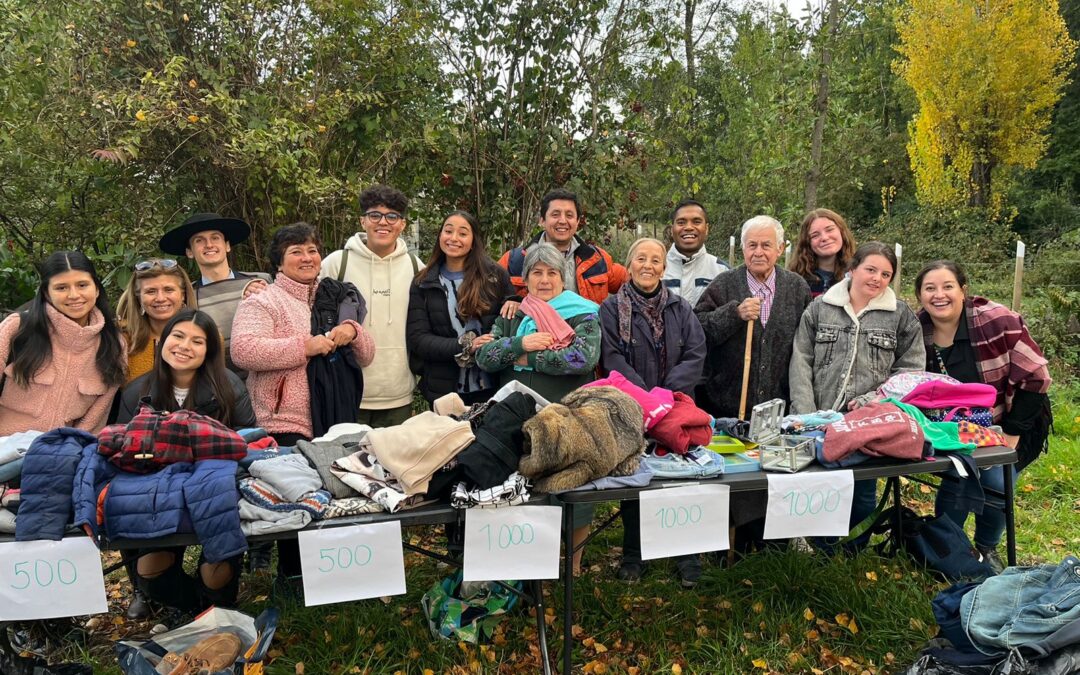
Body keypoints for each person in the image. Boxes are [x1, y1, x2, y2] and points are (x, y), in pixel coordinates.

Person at [232, 222, 375, 591]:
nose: (307, 257)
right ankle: (293, 581)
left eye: (312, 250)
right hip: (284, 419)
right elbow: (243, 350)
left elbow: (368, 355)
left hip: (333, 420)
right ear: (279, 261)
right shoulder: (263, 301)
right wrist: (303, 347)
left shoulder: (336, 298)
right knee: (293, 498)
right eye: (296, 251)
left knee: (333, 495)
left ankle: (330, 578)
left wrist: (354, 332)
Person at [116, 309, 256, 618]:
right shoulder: (136, 393)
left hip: (215, 491)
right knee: (150, 571)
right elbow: (122, 452)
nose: (184, 346)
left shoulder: (229, 386)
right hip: (157, 491)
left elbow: (248, 441)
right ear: (163, 342)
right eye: (177, 336)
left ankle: (221, 609)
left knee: (215, 571)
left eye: (197, 341)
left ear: (209, 351)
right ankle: (195, 609)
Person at [916, 260, 1052, 572]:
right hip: (947, 429)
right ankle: (950, 548)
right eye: (930, 288)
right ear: (920, 296)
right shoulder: (915, 329)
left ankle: (986, 546)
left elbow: (1037, 377)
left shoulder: (996, 321)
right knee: (959, 474)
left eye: (948, 286)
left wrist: (1012, 432)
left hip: (1010, 418)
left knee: (996, 480)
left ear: (963, 290)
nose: (939, 295)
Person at [789, 241, 925, 547]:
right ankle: (817, 550)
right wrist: (807, 415)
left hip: (869, 426)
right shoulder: (820, 308)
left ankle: (848, 554)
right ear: (852, 270)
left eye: (886, 274)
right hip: (821, 423)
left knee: (862, 498)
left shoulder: (900, 316)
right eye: (871, 269)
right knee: (819, 491)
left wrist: (872, 402)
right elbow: (801, 362)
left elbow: (911, 371)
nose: (877, 278)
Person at [476, 243, 601, 574]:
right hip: (517, 418)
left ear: (563, 277)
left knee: (573, 485)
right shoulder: (513, 313)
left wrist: (526, 359)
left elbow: (581, 358)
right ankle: (530, 563)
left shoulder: (583, 312)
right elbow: (485, 357)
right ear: (526, 278)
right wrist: (521, 342)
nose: (544, 280)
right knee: (523, 490)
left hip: (568, 416)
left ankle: (573, 565)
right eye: (536, 272)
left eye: (552, 273)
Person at [694, 215, 811, 551]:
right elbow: (699, 331)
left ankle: (769, 548)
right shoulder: (723, 285)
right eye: (752, 245)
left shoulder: (796, 288)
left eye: (766, 245)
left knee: (770, 472)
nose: (758, 252)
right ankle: (726, 550)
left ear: (780, 249)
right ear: (742, 248)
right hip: (728, 401)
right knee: (732, 478)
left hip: (777, 401)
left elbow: (805, 343)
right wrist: (733, 314)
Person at [600, 238, 706, 587]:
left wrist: (668, 395)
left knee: (683, 480)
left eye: (656, 260)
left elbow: (695, 352)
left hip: (676, 408)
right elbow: (611, 356)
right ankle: (634, 553)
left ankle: (686, 556)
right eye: (641, 259)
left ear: (664, 268)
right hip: (631, 407)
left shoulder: (680, 308)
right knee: (636, 478)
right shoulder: (612, 308)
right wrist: (644, 396)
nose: (648, 265)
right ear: (629, 266)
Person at [321, 185, 421, 428]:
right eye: (375, 215)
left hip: (398, 391)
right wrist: (258, 284)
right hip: (347, 387)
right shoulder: (337, 263)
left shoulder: (415, 266)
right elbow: (301, 297)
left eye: (392, 216)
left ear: (402, 224)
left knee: (392, 464)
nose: (383, 222)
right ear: (363, 221)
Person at [0, 251, 126, 436]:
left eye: (82, 285)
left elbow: (97, 416)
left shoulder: (114, 344)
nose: (74, 295)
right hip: (5, 451)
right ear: (46, 293)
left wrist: (75, 449)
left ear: (97, 289)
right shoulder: (18, 328)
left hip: (61, 456)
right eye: (61, 288)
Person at [407, 210, 515, 406]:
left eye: (463, 233)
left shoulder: (495, 276)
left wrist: (516, 301)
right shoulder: (423, 282)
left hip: (493, 388)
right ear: (440, 235)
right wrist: (464, 345)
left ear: (473, 241)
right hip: (444, 389)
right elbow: (418, 339)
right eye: (448, 231)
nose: (454, 238)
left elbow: (512, 319)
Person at [159, 212, 272, 373]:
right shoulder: (186, 297)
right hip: (216, 384)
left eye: (215, 238)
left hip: (265, 376)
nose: (209, 245)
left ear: (227, 245)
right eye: (199, 240)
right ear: (190, 252)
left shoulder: (260, 282)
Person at [498, 188, 627, 306]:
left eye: (569, 215)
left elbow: (634, 283)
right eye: (555, 215)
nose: (563, 221)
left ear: (577, 222)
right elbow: (485, 296)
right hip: (533, 330)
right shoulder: (514, 261)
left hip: (584, 330)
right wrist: (513, 301)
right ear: (542, 220)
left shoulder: (597, 260)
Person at [115, 259, 197, 382]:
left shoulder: (206, 337)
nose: (160, 298)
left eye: (168, 290)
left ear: (183, 294)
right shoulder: (122, 341)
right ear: (138, 298)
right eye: (151, 291)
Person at [663, 199, 729, 307]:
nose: (688, 227)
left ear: (706, 229)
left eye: (696, 222)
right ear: (672, 229)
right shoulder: (655, 268)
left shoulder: (722, 271)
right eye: (681, 222)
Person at [787, 208, 857, 298]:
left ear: (842, 232)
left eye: (829, 230)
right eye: (815, 235)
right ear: (807, 242)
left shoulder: (857, 275)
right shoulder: (795, 281)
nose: (824, 238)